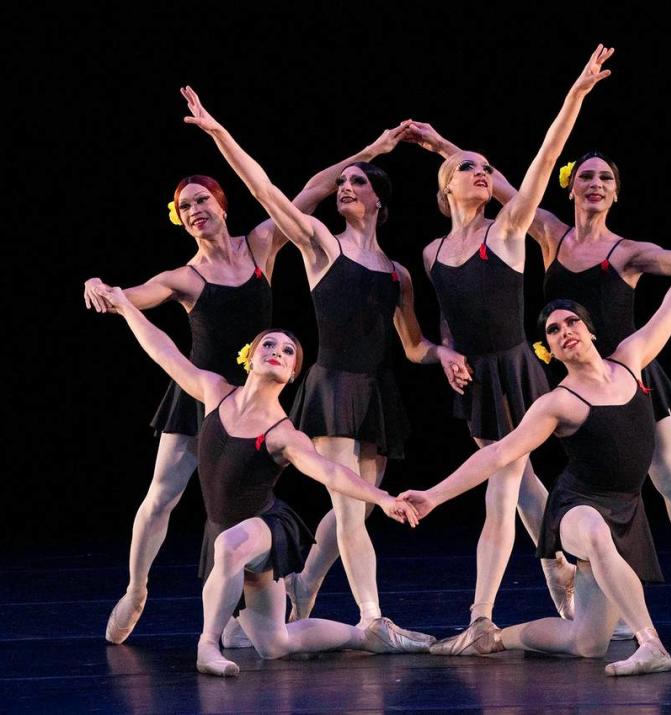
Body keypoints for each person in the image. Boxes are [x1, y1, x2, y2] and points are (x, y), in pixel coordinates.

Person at [85, 128, 415, 645]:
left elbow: (310, 190)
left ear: (221, 206)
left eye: (202, 201)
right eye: (184, 206)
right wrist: (107, 290)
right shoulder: (186, 276)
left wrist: (370, 152)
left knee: (254, 501)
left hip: (258, 397)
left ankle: (260, 610)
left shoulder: (262, 245)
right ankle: (136, 589)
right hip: (203, 392)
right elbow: (138, 296)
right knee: (163, 494)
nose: (195, 210)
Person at [403, 146, 671, 632]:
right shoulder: (546, 232)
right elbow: (503, 179)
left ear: (615, 192)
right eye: (586, 176)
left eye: (606, 178)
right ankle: (589, 586)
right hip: (575, 377)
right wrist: (441, 146)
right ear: (570, 188)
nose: (595, 184)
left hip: (632, 367)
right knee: (585, 485)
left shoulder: (626, 250)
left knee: (667, 475)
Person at [180, 86, 470, 631]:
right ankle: (372, 619)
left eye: (356, 181)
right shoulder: (320, 244)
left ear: (378, 200)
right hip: (331, 385)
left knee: (350, 512)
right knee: (350, 507)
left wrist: (445, 352)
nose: (345, 187)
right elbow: (265, 190)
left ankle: (307, 581)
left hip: (376, 391)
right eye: (341, 182)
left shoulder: (398, 274)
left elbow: (413, 346)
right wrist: (220, 133)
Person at [97, 285, 435, 676]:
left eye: (288, 352)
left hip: (265, 527)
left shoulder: (283, 434)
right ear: (250, 358)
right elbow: (163, 350)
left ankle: (205, 646)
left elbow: (331, 471)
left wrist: (382, 497)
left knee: (229, 544)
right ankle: (367, 637)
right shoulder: (214, 392)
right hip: (226, 533)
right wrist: (124, 306)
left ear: (293, 374)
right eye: (268, 345)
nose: (277, 351)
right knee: (275, 644)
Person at [407, 45, 613, 637]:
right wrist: (445, 352)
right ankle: (554, 561)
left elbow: (546, 160)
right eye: (468, 168)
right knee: (520, 480)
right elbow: (447, 317)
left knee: (501, 491)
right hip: (476, 379)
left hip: (517, 370)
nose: (481, 173)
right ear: (447, 187)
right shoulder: (431, 253)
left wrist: (574, 96)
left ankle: (481, 618)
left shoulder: (508, 229)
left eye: (484, 167)